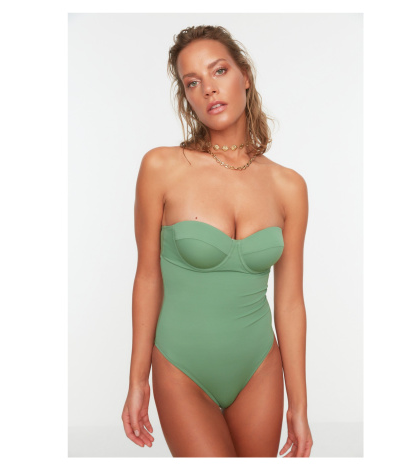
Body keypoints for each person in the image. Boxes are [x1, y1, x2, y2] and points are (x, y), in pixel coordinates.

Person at [121, 25, 313, 458]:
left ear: (245, 75)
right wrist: (137, 381)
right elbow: (147, 278)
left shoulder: (289, 186)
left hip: (259, 369)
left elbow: (290, 303)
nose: (208, 88)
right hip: (182, 367)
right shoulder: (162, 167)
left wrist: (299, 406)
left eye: (219, 71)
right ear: (186, 97)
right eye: (192, 82)